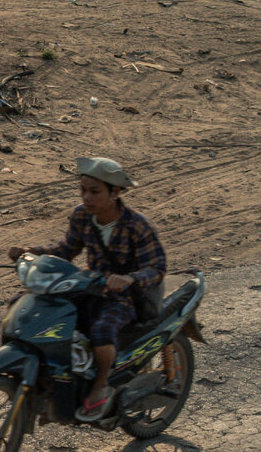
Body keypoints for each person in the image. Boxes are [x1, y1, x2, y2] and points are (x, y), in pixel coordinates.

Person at [10, 156, 165, 422]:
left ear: (115, 193)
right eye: (83, 190)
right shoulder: (82, 215)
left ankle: (100, 385)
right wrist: (29, 252)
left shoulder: (138, 226)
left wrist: (130, 279)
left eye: (95, 192)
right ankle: (50, 377)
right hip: (88, 287)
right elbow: (66, 250)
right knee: (28, 308)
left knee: (101, 330)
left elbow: (157, 267)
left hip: (124, 298)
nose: (87, 197)